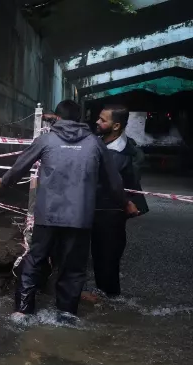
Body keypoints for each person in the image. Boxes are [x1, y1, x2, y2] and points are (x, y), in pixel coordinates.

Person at [0, 100, 138, 320]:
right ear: (79, 118)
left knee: (35, 260)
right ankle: (66, 314)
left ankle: (22, 310)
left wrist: (3, 183)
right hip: (79, 217)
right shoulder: (94, 143)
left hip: (47, 215)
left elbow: (20, 167)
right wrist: (124, 203)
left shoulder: (47, 140)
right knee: (73, 267)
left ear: (57, 118)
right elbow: (113, 181)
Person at [80, 105, 148, 302]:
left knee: (107, 261)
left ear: (116, 125)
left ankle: (110, 305)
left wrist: (128, 203)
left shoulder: (125, 154)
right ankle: (87, 295)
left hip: (110, 214)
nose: (97, 122)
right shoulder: (97, 142)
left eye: (103, 120)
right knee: (82, 256)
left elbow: (124, 185)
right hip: (88, 210)